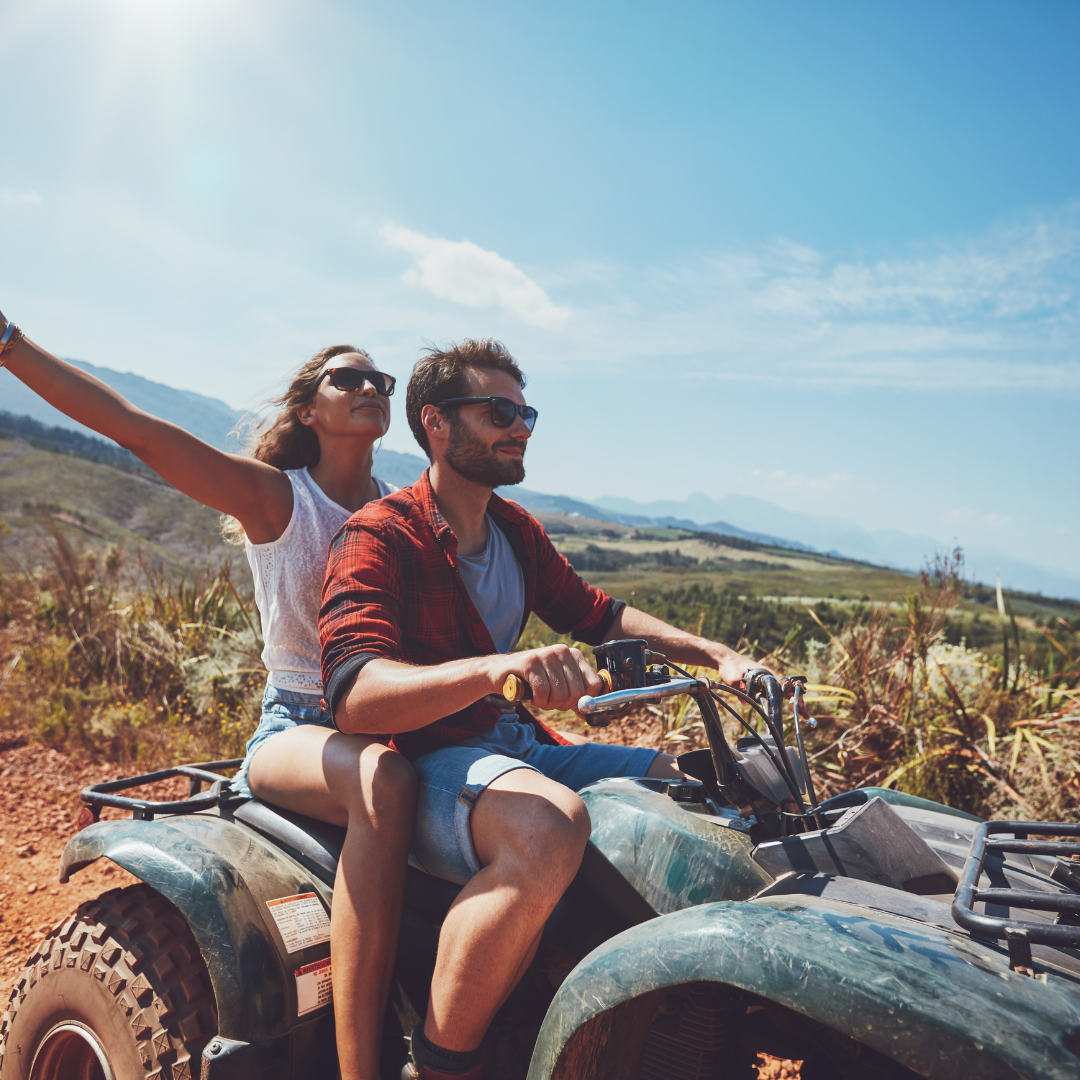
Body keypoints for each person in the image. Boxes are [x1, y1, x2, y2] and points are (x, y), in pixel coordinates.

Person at [318, 339, 763, 1080]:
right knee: (547, 824)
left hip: (515, 747)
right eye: (499, 411)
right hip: (426, 755)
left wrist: (720, 657)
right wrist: (496, 669)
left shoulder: (516, 533)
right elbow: (356, 696)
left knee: (687, 791)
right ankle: (439, 1065)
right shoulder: (379, 534)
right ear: (435, 422)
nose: (519, 426)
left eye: (525, 412)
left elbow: (601, 616)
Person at [0, 314, 414, 1080]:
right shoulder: (276, 499)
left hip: (393, 718)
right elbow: (139, 432)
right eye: (346, 378)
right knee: (386, 787)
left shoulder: (402, 510)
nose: (368, 388)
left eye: (379, 380)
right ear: (307, 412)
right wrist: (10, 344)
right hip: (302, 726)